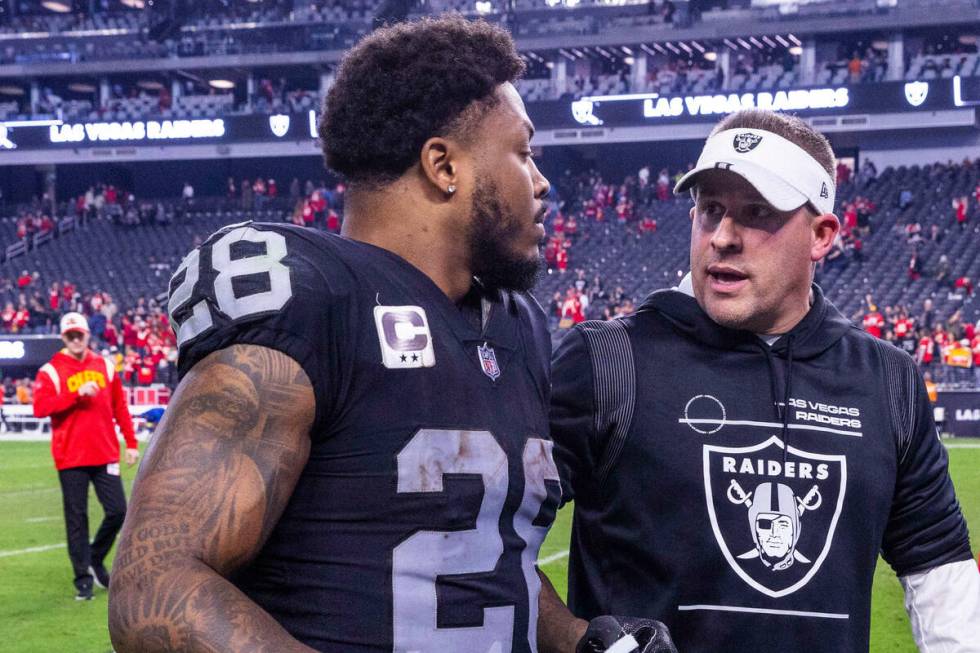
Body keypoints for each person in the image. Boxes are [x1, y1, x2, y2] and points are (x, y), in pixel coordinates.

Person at [108, 17, 672, 653]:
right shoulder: (317, 301)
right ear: (443, 164)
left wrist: (581, 641)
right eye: (523, 152)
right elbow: (156, 587)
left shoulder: (520, 328)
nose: (541, 183)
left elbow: (474, 557)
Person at [545, 110, 980, 652]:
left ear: (822, 235)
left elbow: (940, 571)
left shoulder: (886, 380)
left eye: (756, 214)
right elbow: (491, 539)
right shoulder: (606, 360)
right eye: (710, 210)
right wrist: (576, 640)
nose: (723, 237)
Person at [33, 312, 138, 601]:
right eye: (71, 335)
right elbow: (40, 408)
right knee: (77, 519)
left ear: (88, 335)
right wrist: (76, 394)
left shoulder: (105, 365)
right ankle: (83, 578)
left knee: (118, 511)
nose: (76, 339)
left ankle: (94, 556)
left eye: (80, 334)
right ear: (63, 337)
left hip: (105, 453)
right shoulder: (50, 371)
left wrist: (130, 442)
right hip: (71, 458)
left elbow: (120, 407)